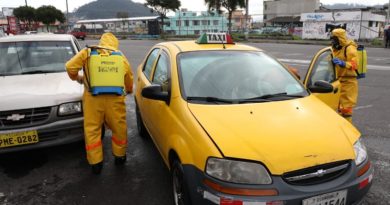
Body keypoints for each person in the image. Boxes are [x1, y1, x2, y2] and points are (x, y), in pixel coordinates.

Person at [66, 33, 133, 174]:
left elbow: (70, 67)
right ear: (115, 44)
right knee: (119, 128)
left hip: (93, 100)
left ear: (101, 41)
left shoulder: (88, 52)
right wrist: (129, 89)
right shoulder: (121, 57)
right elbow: (128, 79)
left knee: (92, 130)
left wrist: (78, 78)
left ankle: (96, 163)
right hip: (115, 100)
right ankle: (120, 156)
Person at [330, 28, 358, 123]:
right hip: (337, 80)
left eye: (335, 38)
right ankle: (341, 125)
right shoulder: (335, 48)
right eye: (332, 38)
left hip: (348, 81)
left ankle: (348, 127)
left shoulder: (349, 48)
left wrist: (343, 63)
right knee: (337, 106)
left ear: (340, 38)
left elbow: (354, 64)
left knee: (346, 107)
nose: (332, 41)